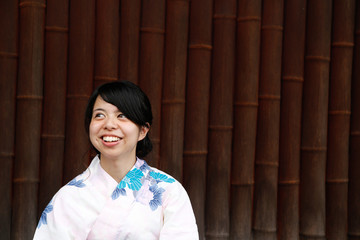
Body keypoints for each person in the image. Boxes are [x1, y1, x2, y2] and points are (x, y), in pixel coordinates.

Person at [33, 81, 199, 239]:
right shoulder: (67, 198)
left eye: (122, 115)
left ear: (143, 130)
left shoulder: (169, 191)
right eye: (99, 115)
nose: (109, 124)